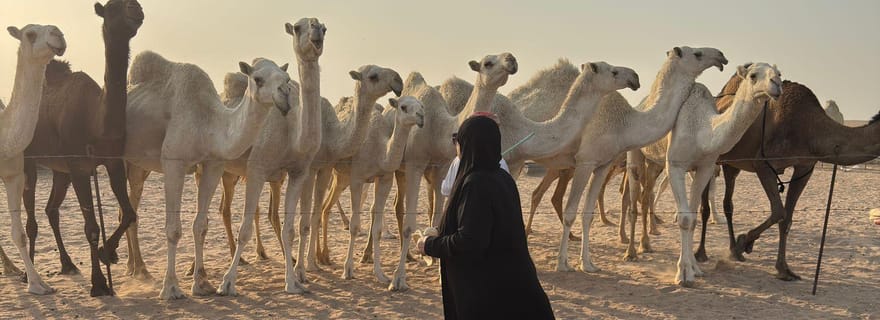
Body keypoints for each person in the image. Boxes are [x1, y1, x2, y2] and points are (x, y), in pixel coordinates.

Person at [418, 115, 554, 320]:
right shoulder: (503, 178)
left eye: (458, 140)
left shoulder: (476, 184)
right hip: (516, 289)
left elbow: (470, 241)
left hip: (490, 298)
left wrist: (429, 245)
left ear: (466, 144)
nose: (456, 146)